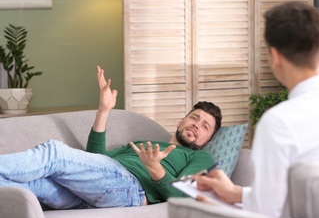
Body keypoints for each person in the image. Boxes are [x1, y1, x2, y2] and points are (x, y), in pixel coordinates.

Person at [194, 1, 319, 218]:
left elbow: (265, 214)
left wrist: (217, 210)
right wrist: (236, 193)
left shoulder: (279, 122)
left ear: (274, 56)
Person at [0, 66, 222, 209]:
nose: (196, 125)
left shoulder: (199, 159)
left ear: (207, 140)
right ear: (180, 121)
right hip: (103, 186)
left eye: (205, 126)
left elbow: (182, 198)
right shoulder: (145, 144)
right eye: (194, 118)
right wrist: (104, 110)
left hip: (131, 188)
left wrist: (156, 169)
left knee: (55, 152)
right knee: (28, 185)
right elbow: (94, 159)